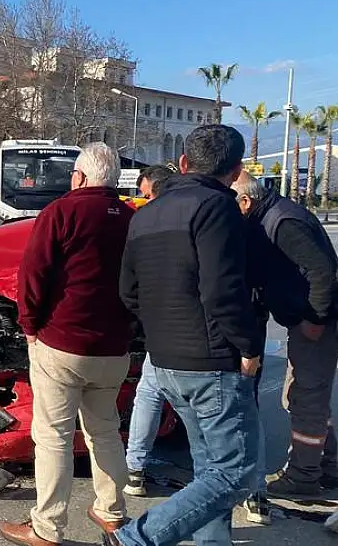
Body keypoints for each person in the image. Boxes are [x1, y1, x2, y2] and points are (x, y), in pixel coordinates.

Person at [110, 125, 263, 546]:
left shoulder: (147, 213)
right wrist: (249, 345)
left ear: (182, 163)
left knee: (209, 466)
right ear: (235, 171)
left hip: (165, 359)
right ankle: (136, 538)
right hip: (211, 360)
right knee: (236, 473)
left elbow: (129, 291)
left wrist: (160, 329)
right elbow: (223, 290)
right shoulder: (218, 207)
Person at [0, 143, 135, 546]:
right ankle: (113, 514)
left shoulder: (60, 212)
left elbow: (33, 275)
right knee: (105, 431)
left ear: (79, 178)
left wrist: (30, 327)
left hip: (61, 343)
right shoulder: (132, 218)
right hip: (113, 347)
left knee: (54, 436)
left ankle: (47, 528)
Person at [232, 171, 338, 499]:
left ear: (246, 201)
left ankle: (304, 477)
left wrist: (314, 318)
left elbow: (323, 272)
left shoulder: (282, 222)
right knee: (307, 394)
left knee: (305, 396)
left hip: (317, 322)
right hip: (303, 318)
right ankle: (327, 464)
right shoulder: (271, 216)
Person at [121, 164, 176, 497]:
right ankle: (216, 477)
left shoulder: (144, 221)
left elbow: (129, 285)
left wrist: (142, 317)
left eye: (146, 194)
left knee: (150, 396)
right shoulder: (202, 215)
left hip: (161, 329)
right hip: (197, 330)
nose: (143, 200)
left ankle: (135, 471)